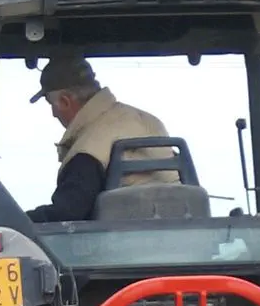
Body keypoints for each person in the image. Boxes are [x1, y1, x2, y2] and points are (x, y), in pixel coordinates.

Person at [25, 54, 175, 223]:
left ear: (65, 101)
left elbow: (67, 214)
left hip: (126, 241)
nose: (53, 114)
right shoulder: (148, 121)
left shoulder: (89, 149)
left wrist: (16, 220)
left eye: (51, 105)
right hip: (182, 231)